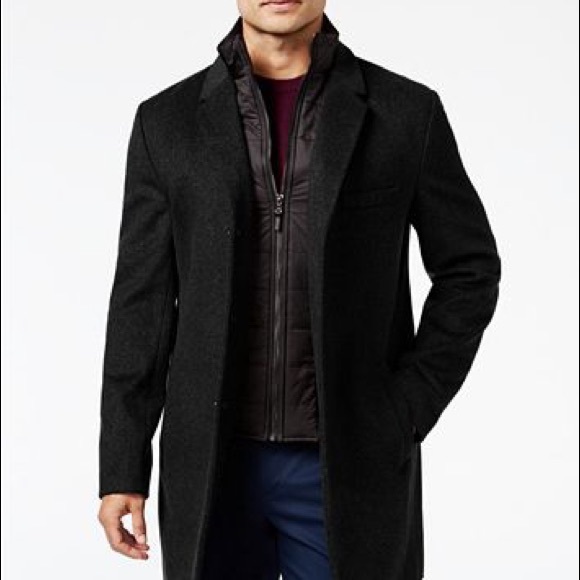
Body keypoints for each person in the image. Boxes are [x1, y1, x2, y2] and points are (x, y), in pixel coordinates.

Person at [97, 1, 502, 579]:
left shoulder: (405, 113)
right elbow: (142, 304)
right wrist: (123, 465)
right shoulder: (167, 123)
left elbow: (469, 267)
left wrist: (406, 407)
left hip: (347, 463)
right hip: (211, 467)